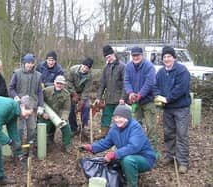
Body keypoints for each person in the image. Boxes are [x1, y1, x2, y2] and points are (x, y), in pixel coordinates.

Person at [80, 105, 157, 187]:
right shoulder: (114, 128)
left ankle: (132, 185)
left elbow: (134, 147)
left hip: (144, 158)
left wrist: (114, 154)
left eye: (120, 117)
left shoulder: (135, 127)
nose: (117, 120)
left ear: (127, 117)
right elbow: (106, 142)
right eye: (115, 117)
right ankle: (122, 180)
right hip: (125, 156)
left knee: (128, 160)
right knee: (116, 161)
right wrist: (91, 147)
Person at [153, 46, 191, 174]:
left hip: (181, 108)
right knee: (168, 133)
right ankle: (171, 156)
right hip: (167, 109)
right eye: (164, 57)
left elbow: (181, 89)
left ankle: (183, 162)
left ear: (174, 58)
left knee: (182, 134)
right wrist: (158, 96)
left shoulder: (182, 71)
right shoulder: (161, 72)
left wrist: (167, 99)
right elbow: (155, 86)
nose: (166, 59)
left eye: (169, 56)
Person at [124, 47, 158, 151]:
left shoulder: (149, 66)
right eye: (134, 55)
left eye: (138, 55)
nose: (135, 57)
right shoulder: (128, 66)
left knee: (150, 126)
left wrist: (140, 95)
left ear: (142, 55)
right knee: (135, 125)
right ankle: (136, 147)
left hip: (148, 101)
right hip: (135, 101)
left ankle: (152, 151)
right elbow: (126, 80)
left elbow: (149, 83)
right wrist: (130, 93)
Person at [9, 53, 44, 144]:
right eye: (27, 62)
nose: (29, 65)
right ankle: (18, 146)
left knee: (32, 127)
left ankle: (30, 146)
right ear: (24, 63)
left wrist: (41, 105)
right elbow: (11, 88)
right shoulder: (17, 73)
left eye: (31, 63)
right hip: (19, 105)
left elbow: (40, 91)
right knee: (19, 127)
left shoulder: (38, 75)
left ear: (33, 64)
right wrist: (16, 97)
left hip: (32, 105)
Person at [94, 45, 126, 138]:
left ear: (113, 54)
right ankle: (103, 134)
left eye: (109, 56)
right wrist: (98, 97)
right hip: (108, 98)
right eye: (106, 57)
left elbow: (125, 84)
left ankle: (121, 135)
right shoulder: (106, 67)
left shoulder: (122, 66)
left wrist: (123, 98)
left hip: (119, 99)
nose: (108, 59)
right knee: (106, 116)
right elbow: (102, 84)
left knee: (120, 118)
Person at [39, 75, 72, 152]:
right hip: (46, 114)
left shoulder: (66, 94)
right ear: (54, 82)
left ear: (64, 84)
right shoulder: (46, 91)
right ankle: (40, 144)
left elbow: (66, 109)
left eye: (61, 84)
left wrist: (64, 119)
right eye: (58, 83)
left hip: (59, 115)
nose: (59, 85)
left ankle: (67, 145)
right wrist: (43, 113)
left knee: (66, 127)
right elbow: (40, 102)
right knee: (42, 126)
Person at [67, 57, 94, 135]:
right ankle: (73, 127)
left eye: (87, 68)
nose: (85, 69)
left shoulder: (90, 76)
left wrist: (82, 101)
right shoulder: (72, 70)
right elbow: (69, 83)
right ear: (81, 65)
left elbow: (87, 89)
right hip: (72, 92)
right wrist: (74, 94)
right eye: (84, 66)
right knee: (70, 107)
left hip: (83, 94)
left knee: (86, 106)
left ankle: (83, 126)